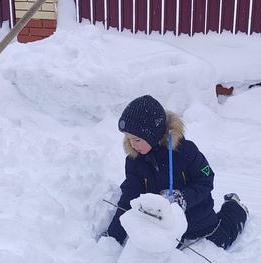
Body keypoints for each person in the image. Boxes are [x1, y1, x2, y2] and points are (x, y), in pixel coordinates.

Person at [101, 95, 248, 249]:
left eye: (137, 139)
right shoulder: (134, 161)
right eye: (128, 138)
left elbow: (205, 180)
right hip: (163, 225)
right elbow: (128, 197)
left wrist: (183, 198)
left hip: (197, 219)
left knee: (220, 241)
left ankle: (235, 206)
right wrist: (113, 237)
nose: (132, 144)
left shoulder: (186, 151)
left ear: (152, 134)